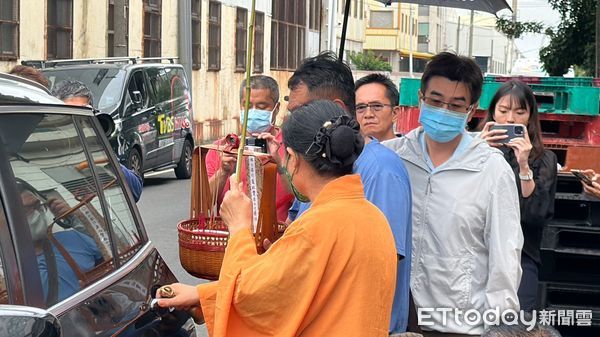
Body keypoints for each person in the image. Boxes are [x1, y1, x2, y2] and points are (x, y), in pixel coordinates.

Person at [157, 100, 397, 336]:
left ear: (293, 158)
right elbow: (293, 292)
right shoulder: (374, 218)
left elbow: (253, 297)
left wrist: (240, 229)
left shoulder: (316, 227)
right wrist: (203, 296)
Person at [383, 52, 523, 336]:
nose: (443, 110)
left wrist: (500, 325)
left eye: (456, 105)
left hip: (459, 324)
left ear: (471, 111)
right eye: (435, 101)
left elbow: (505, 257)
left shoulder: (491, 169)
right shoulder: (393, 159)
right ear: (421, 99)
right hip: (395, 319)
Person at [285, 52, 413, 335]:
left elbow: (378, 267)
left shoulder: (380, 169)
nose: (292, 123)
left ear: (334, 108)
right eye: (291, 113)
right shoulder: (318, 164)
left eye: (300, 113)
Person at [479, 80, 558, 311]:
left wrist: (524, 165)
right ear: (492, 111)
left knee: (515, 328)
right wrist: (477, 153)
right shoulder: (474, 149)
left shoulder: (544, 159)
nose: (510, 119)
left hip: (520, 258)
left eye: (519, 112)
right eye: (503, 111)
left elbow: (535, 214)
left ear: (530, 116)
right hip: (476, 252)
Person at [205, 75, 293, 222]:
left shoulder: (290, 147)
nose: (253, 112)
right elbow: (203, 203)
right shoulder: (221, 148)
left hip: (278, 238)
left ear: (276, 109)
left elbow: (302, 199)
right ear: (241, 106)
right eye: (248, 106)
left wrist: (280, 167)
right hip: (232, 239)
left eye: (262, 107)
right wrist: (223, 171)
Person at [52, 80, 143, 202]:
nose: (77, 122)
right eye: (69, 115)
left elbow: (135, 191)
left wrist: (104, 157)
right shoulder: (48, 150)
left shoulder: (94, 149)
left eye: (83, 116)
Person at [18, 180, 103, 305]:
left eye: (37, 206)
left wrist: (74, 216)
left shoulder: (73, 238)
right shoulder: (8, 272)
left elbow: (113, 249)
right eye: (26, 210)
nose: (36, 213)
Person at [354, 73, 400, 142]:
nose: (368, 115)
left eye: (377, 106)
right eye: (361, 107)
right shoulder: (347, 151)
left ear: (395, 113)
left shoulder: (410, 151)